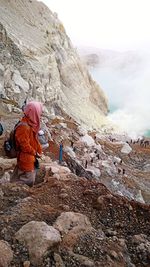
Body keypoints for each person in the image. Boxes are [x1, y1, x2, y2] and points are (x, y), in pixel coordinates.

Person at [11, 101, 43, 186]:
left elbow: (34, 139)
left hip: (28, 156)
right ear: (34, 112)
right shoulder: (24, 127)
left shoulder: (30, 123)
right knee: (29, 179)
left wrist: (38, 150)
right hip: (26, 157)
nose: (40, 115)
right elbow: (24, 145)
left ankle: (11, 184)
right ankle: (9, 188)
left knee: (18, 174)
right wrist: (35, 152)